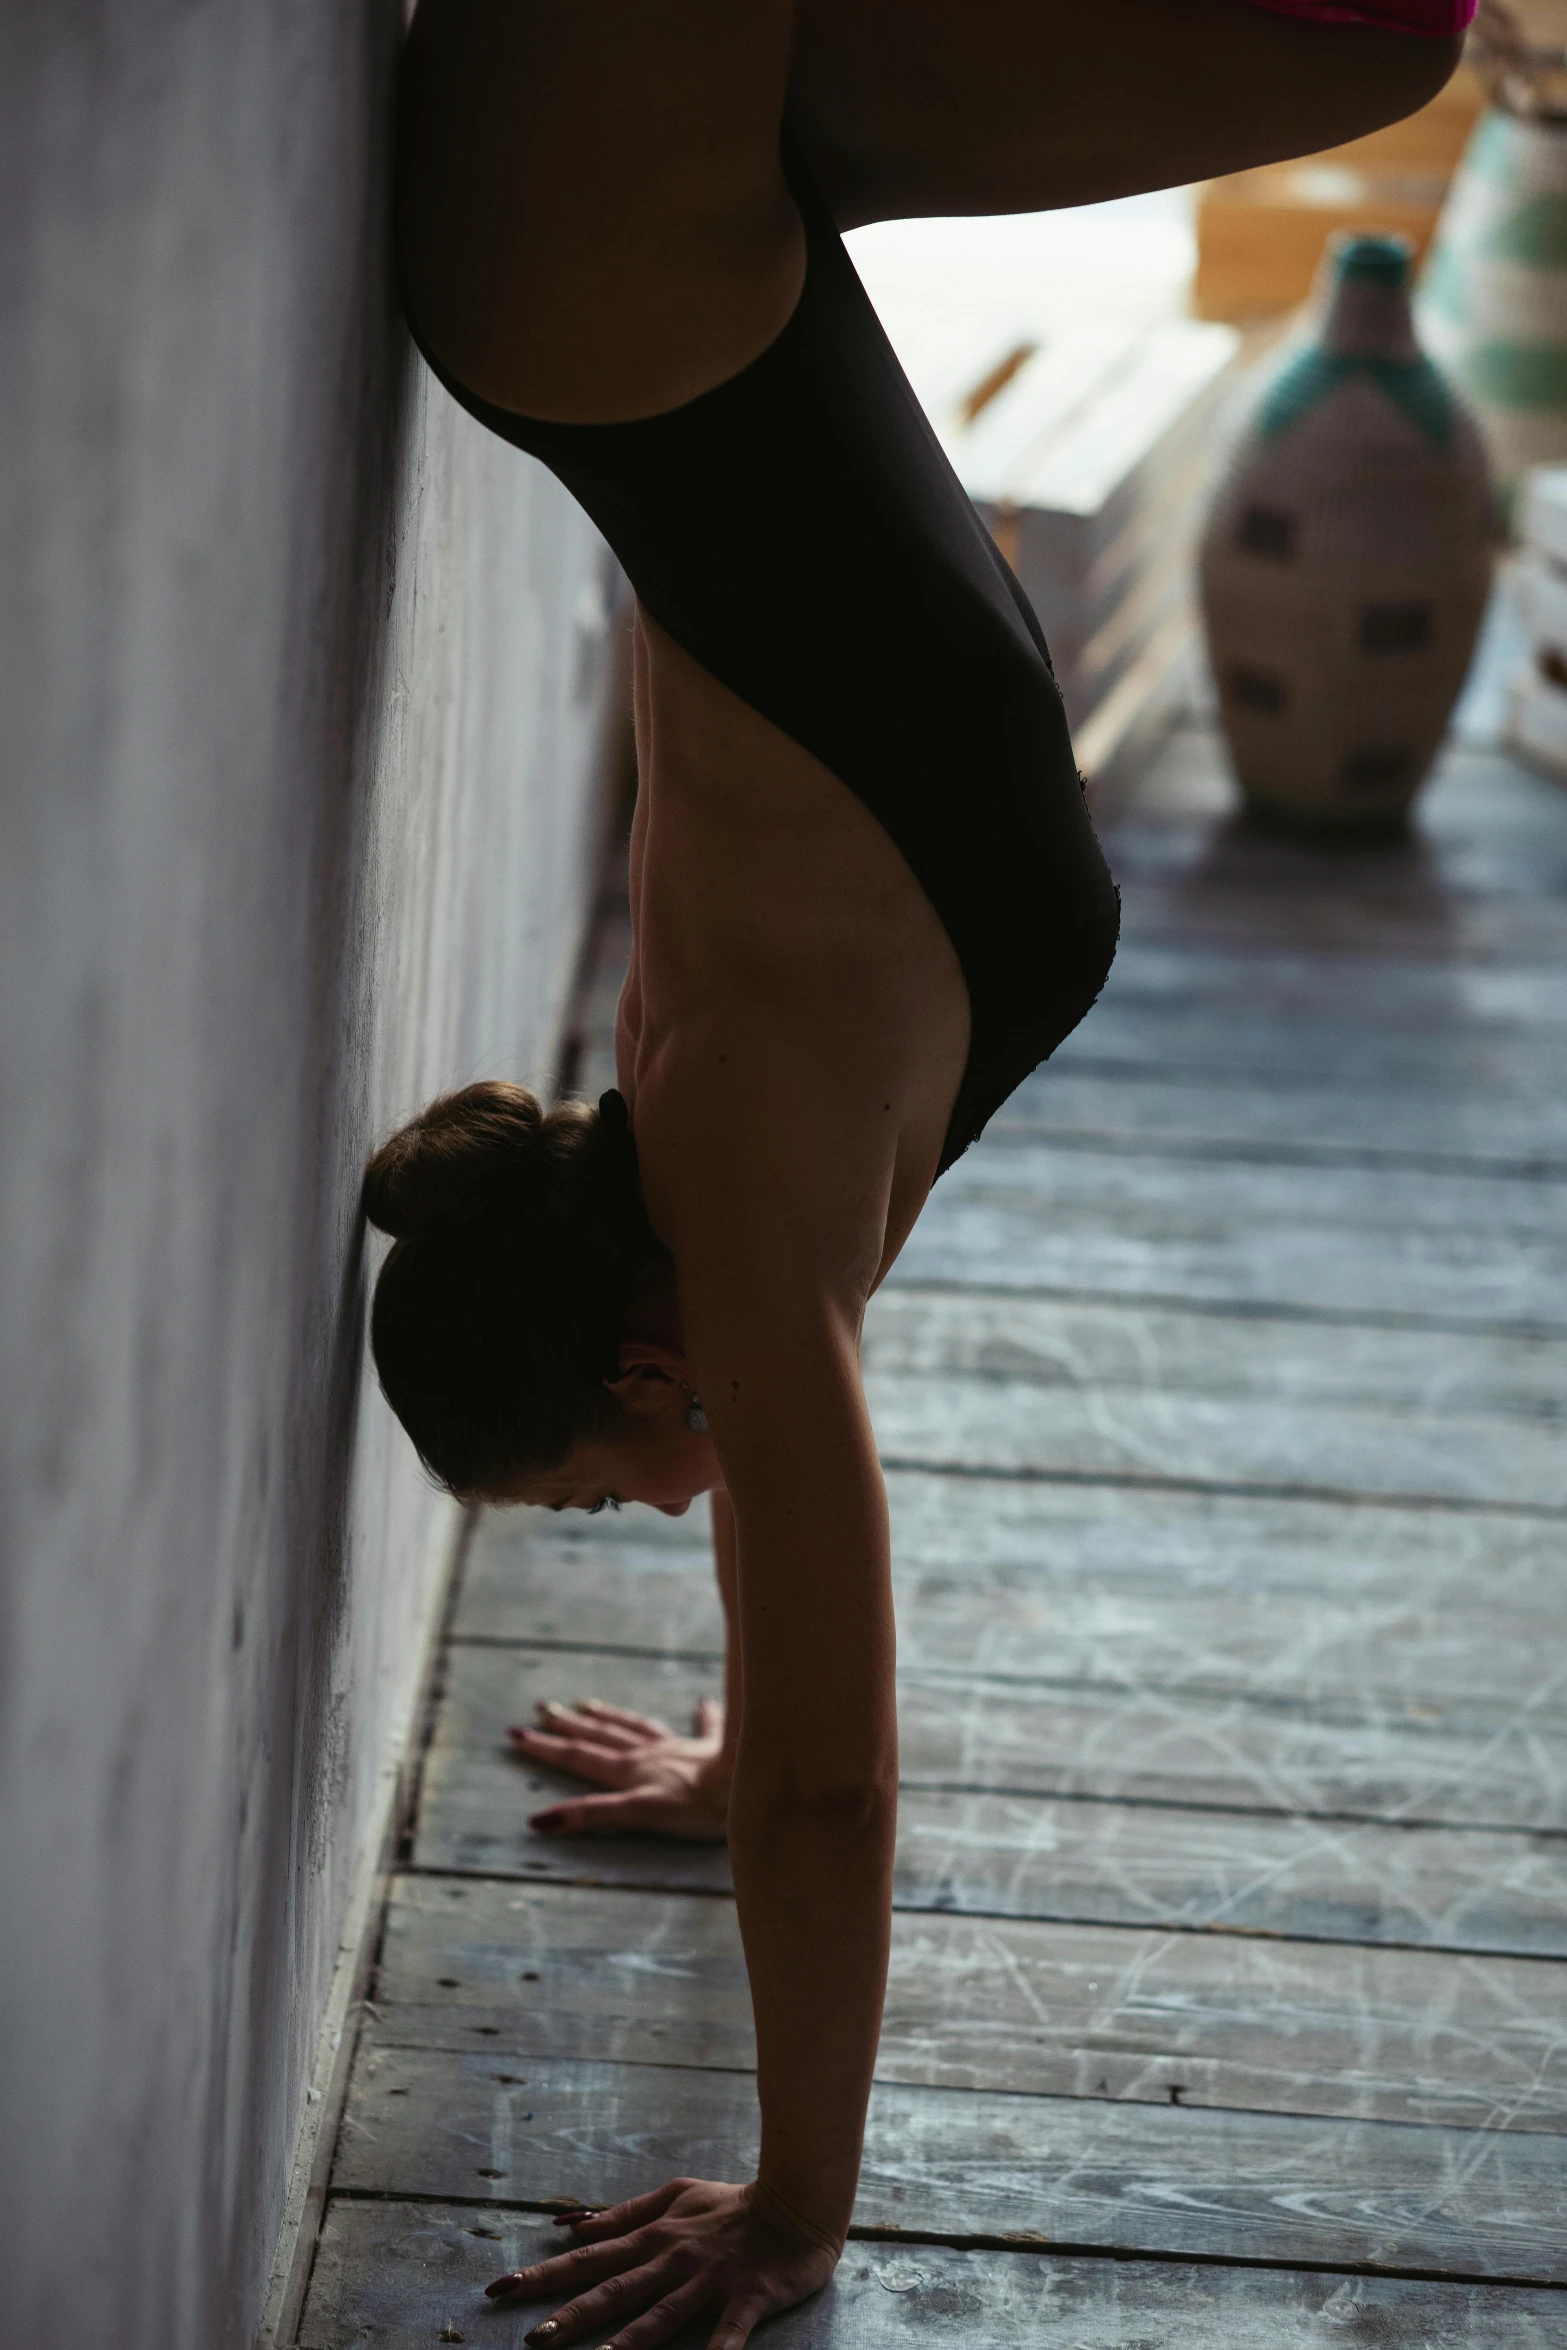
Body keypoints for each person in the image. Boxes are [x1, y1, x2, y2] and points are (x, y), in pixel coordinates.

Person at [372, 5, 1467, 2343]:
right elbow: (801, 1706)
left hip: (618, 277)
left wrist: (792, 2206)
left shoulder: (753, 1213)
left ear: (646, 1356)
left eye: (599, 1493)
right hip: (664, 272)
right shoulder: (704, 1159)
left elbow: (841, 1793)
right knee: (1382, 51)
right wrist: (737, 1741)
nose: (669, 1517)